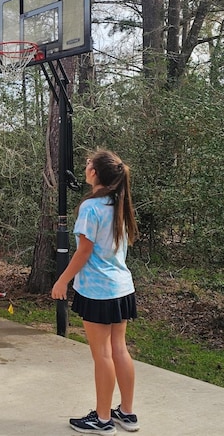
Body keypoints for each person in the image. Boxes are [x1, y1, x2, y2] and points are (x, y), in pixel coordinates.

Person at [51, 150, 140, 435]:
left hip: (98, 291)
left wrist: (62, 280)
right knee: (119, 349)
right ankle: (126, 413)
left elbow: (84, 251)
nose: (86, 166)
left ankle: (102, 420)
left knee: (102, 354)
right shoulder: (120, 204)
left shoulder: (90, 208)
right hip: (122, 287)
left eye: (89, 164)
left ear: (96, 174)